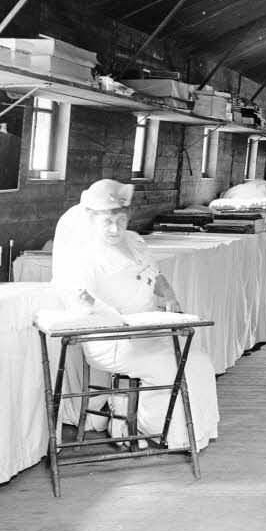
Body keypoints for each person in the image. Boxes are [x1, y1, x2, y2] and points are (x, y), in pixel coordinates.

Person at [51, 179, 220, 450]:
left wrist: (169, 295)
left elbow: (155, 275)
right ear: (91, 219)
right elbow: (83, 300)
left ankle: (187, 432)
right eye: (107, 222)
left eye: (120, 220)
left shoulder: (133, 241)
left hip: (148, 327)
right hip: (111, 338)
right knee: (168, 366)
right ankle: (142, 428)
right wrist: (114, 317)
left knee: (197, 360)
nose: (115, 228)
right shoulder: (83, 255)